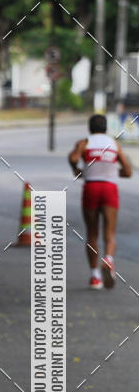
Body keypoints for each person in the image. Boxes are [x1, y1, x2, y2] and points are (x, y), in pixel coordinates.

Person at [68, 113, 132, 289]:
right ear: (106, 128)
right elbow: (128, 171)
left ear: (89, 128)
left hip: (91, 188)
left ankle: (95, 276)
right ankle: (108, 259)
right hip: (109, 189)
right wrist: (113, 173)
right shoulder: (114, 144)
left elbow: (73, 158)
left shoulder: (85, 143)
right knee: (109, 233)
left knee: (92, 233)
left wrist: (77, 170)